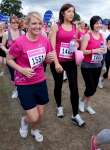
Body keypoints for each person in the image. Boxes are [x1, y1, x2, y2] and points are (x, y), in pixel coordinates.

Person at [6, 11, 55, 142]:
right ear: (27, 25)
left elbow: (47, 60)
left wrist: (49, 59)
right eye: (34, 23)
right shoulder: (19, 42)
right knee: (33, 117)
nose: (38, 26)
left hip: (40, 81)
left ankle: (34, 130)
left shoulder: (45, 41)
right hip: (24, 84)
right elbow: (9, 59)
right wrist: (21, 69)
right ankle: (24, 121)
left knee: (40, 115)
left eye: (40, 23)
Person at [49, 3, 85, 127]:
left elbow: (78, 42)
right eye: (69, 11)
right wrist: (56, 63)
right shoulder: (56, 26)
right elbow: (52, 46)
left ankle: (75, 115)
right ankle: (59, 106)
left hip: (70, 62)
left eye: (73, 11)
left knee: (74, 87)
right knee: (58, 85)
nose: (72, 14)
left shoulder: (75, 27)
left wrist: (77, 45)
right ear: (63, 13)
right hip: (58, 61)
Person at [79, 16, 107, 115]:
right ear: (92, 24)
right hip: (87, 66)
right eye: (96, 23)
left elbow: (104, 49)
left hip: (98, 65)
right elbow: (82, 51)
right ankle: (82, 101)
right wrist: (94, 51)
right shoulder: (87, 35)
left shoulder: (102, 36)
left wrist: (104, 50)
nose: (99, 25)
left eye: (100, 23)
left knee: (94, 87)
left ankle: (88, 105)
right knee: (90, 86)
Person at [2, 15, 24, 99]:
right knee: (13, 75)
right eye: (13, 22)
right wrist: (6, 50)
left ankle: (21, 89)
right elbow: (2, 45)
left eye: (17, 22)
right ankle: (15, 90)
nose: (15, 24)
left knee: (21, 74)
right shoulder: (6, 34)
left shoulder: (22, 33)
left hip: (20, 58)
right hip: (10, 58)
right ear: (10, 23)